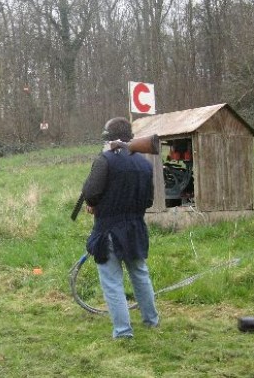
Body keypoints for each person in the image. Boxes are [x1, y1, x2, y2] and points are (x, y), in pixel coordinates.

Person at [81, 117, 160, 339]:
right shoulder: (144, 164)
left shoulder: (105, 160)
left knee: (112, 282)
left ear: (108, 139)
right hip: (135, 229)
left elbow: (90, 193)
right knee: (140, 275)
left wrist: (97, 205)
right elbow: (148, 200)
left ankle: (123, 332)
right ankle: (151, 320)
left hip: (109, 230)